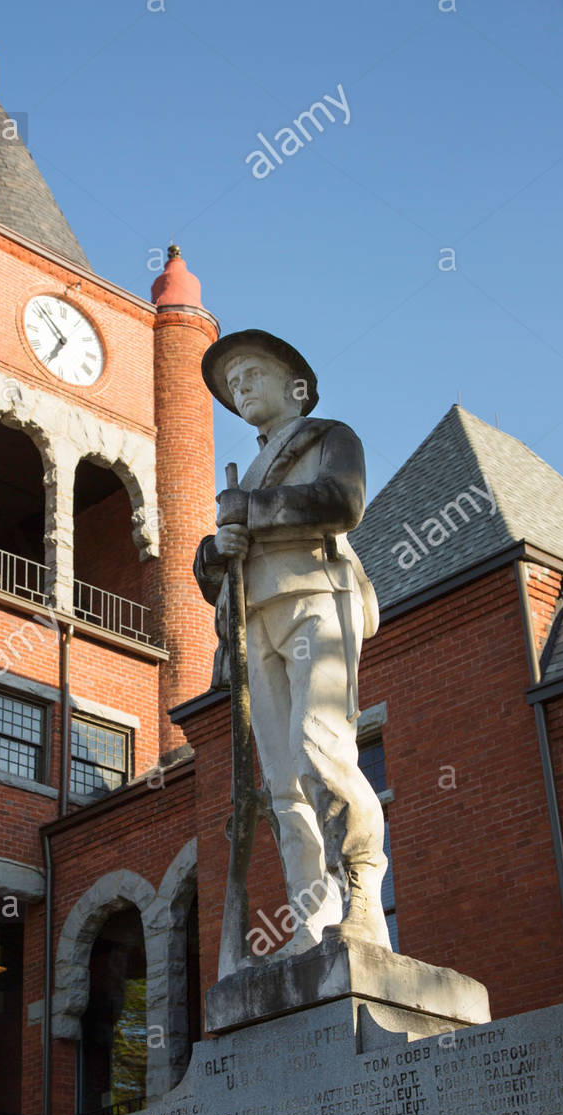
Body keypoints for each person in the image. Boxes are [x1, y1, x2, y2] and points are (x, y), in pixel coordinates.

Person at [194, 329, 389, 956]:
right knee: (281, 783)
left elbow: (341, 501)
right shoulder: (247, 474)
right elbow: (218, 567)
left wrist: (248, 510)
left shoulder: (329, 437)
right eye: (234, 385)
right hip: (254, 621)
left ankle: (362, 899)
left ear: (293, 386)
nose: (241, 388)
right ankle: (311, 922)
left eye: (251, 375)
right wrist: (213, 550)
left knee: (320, 749)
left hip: (315, 595)